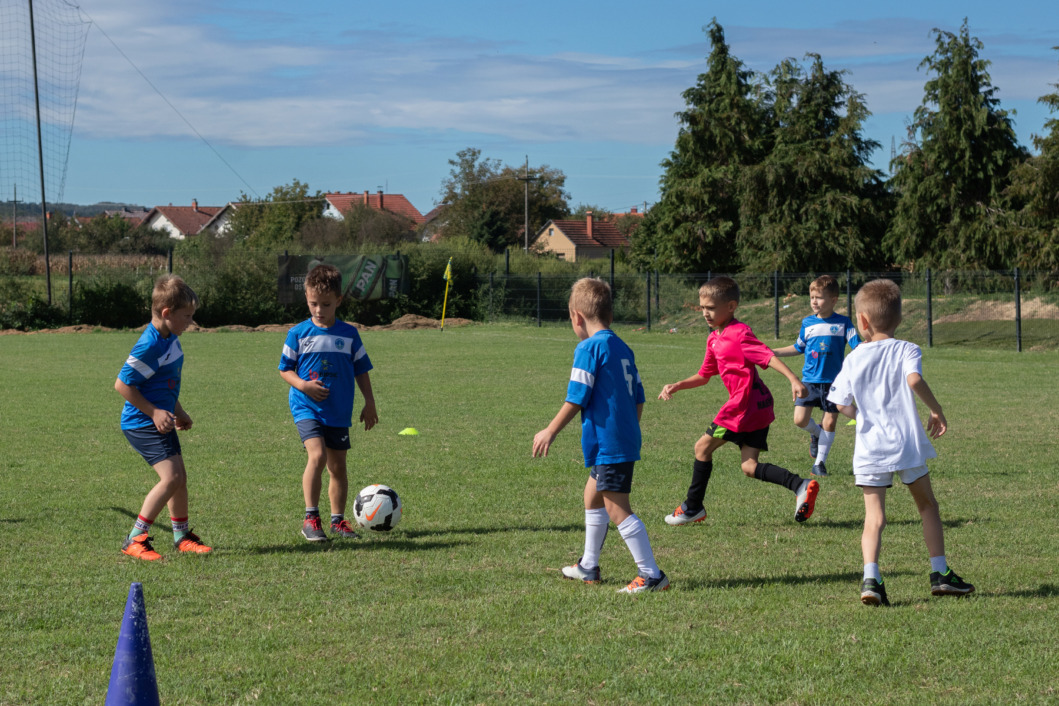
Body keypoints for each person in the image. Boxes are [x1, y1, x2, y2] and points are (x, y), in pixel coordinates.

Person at [828, 279, 974, 606]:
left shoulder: (854, 358)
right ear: (899, 318)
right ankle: (940, 573)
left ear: (862, 322)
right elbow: (914, 379)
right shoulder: (907, 349)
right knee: (927, 506)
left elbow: (839, 403)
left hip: (870, 449)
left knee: (874, 518)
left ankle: (871, 578)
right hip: (905, 444)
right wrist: (936, 410)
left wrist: (860, 413)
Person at [532, 278, 669, 593]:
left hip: (610, 441)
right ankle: (588, 566)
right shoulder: (622, 346)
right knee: (591, 496)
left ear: (576, 317)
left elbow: (577, 396)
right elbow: (639, 397)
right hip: (621, 438)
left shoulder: (588, 347)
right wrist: (629, 431)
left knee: (616, 507)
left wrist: (550, 430)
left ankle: (651, 575)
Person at [658, 276, 819, 527]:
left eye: (710, 308)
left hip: (742, 407)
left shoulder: (739, 333)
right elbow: (704, 375)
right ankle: (800, 485)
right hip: (759, 407)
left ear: (731, 306)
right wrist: (678, 385)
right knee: (749, 466)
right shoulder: (714, 338)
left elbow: (766, 355)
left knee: (702, 448)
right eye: (702, 308)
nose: (705, 313)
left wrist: (793, 379)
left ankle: (692, 507)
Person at [279, 264, 378, 542]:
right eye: (313, 304)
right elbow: (284, 369)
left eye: (325, 304)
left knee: (338, 467)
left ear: (339, 301)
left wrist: (369, 402)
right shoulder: (298, 333)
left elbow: (361, 369)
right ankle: (311, 519)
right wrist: (303, 386)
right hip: (305, 405)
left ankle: (338, 521)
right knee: (318, 456)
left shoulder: (349, 334)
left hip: (338, 410)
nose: (319, 310)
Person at [116, 274, 211, 560]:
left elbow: (163, 384)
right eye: (187, 316)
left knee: (179, 478)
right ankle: (134, 539)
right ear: (167, 313)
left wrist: (178, 411)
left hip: (160, 419)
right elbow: (122, 385)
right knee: (171, 478)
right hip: (142, 423)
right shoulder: (150, 345)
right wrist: (155, 412)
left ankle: (181, 536)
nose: (191, 322)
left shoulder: (171, 339)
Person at [772, 275, 859, 477]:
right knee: (800, 421)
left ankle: (819, 464)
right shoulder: (807, 323)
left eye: (819, 297)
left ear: (833, 300)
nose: (814, 301)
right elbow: (798, 347)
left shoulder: (844, 323)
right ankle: (816, 433)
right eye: (812, 297)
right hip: (810, 381)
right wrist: (774, 352)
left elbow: (857, 346)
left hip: (834, 384)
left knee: (830, 422)